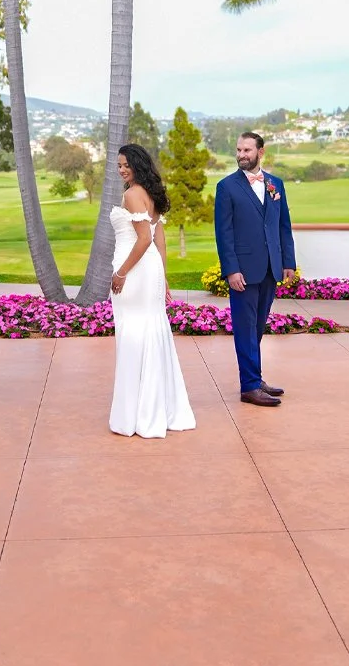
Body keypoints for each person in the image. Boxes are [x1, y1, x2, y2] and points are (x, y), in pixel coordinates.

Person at [107, 144, 197, 439]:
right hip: (150, 272)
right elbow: (161, 241)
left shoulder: (133, 194)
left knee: (133, 335)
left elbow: (144, 239)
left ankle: (135, 415)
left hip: (134, 272)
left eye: (125, 165)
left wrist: (121, 273)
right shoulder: (152, 193)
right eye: (119, 165)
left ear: (137, 164)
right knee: (151, 332)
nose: (121, 170)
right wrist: (164, 277)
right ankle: (158, 409)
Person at [212, 130, 297, 407]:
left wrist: (288, 261)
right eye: (238, 150)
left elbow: (283, 226)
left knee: (258, 326)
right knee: (245, 328)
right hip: (243, 271)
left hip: (271, 267)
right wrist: (231, 269)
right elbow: (223, 233)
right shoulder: (226, 187)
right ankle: (249, 386)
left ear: (261, 152)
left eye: (247, 150)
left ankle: (255, 377)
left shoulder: (276, 184)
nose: (241, 155)